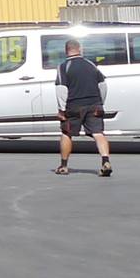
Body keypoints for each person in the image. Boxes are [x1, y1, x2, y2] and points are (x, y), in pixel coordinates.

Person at [55, 37, 111, 177]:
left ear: (66, 50)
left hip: (74, 106)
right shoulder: (91, 64)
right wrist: (100, 102)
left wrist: (62, 110)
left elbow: (61, 89)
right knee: (98, 133)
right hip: (95, 104)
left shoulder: (63, 67)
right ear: (80, 49)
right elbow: (102, 85)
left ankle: (63, 166)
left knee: (67, 133)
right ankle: (105, 161)